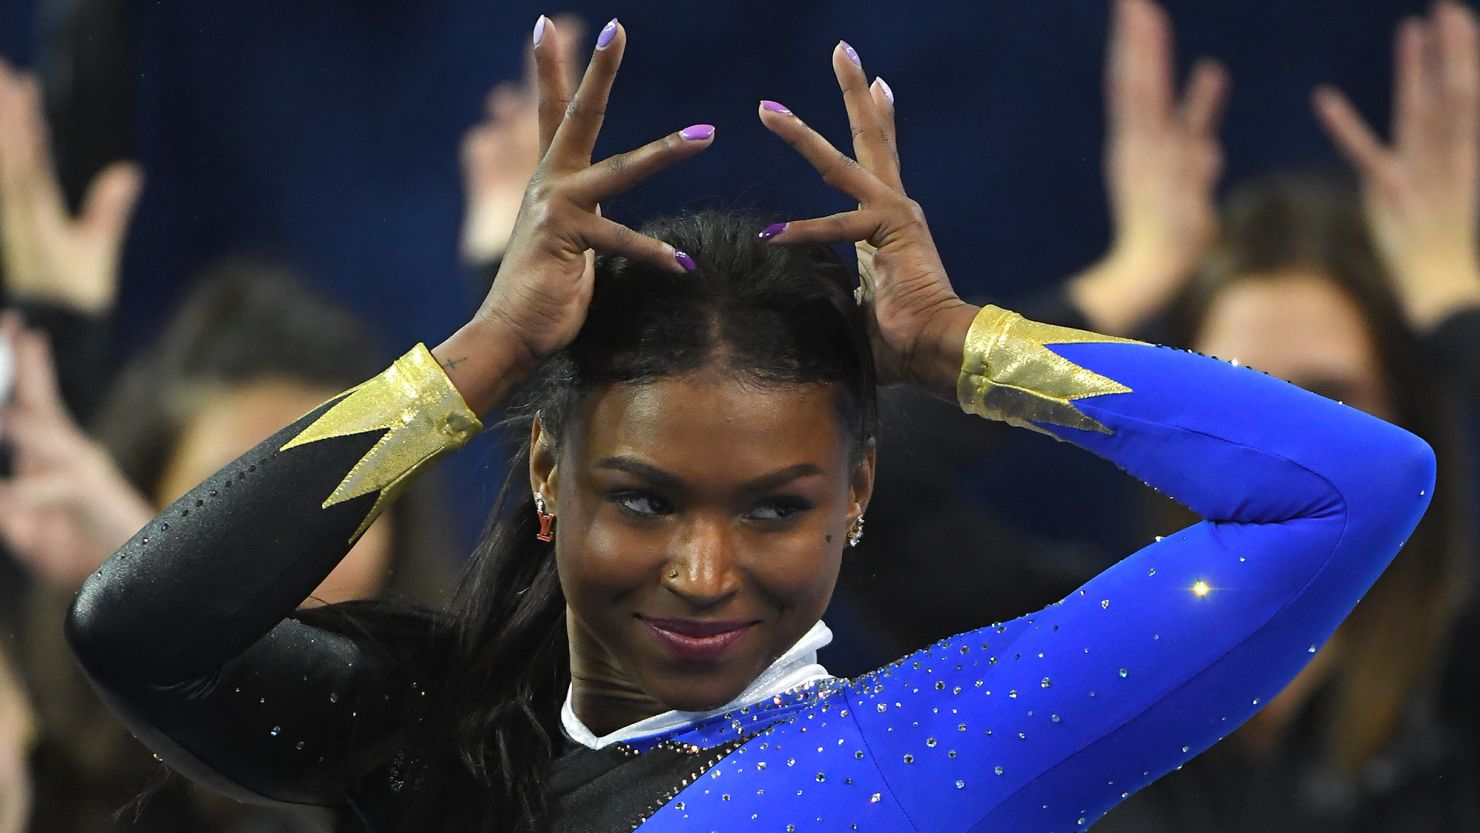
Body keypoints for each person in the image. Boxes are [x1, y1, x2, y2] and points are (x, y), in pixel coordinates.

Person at [65, 17, 1434, 833]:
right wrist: (479, 357)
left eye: (775, 504)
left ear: (856, 496)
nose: (708, 572)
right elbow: (140, 628)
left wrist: (972, 348)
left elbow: (1353, 488)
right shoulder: (424, 733)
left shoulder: (948, 739)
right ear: (549, 473)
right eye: (648, 498)